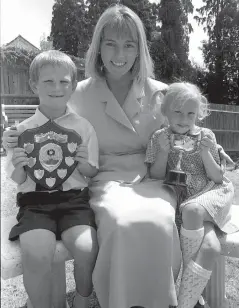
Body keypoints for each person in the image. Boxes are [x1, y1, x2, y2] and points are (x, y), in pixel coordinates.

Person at [2, 5, 236, 308]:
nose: (119, 54)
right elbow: (47, 129)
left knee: (160, 220)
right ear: (98, 47)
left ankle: (158, 301)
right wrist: (15, 137)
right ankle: (119, 300)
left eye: (129, 45)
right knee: (119, 220)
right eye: (110, 43)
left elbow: (189, 131)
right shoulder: (78, 93)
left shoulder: (162, 93)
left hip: (156, 177)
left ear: (140, 50)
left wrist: (211, 154)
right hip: (104, 178)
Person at [5, 50, 99, 308]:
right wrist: (20, 164)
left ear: (73, 86)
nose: (56, 88)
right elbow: (19, 178)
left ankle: (81, 301)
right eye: (48, 81)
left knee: (87, 248)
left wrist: (83, 163)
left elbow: (91, 173)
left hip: (74, 201)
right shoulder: (21, 132)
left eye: (63, 81)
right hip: (34, 203)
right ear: (34, 85)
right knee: (36, 253)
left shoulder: (84, 128)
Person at [145, 82, 239, 308]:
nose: (184, 118)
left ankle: (185, 298)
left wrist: (206, 152)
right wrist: (163, 151)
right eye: (177, 111)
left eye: (191, 113)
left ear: (198, 115)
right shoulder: (159, 137)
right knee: (210, 248)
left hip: (209, 194)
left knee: (192, 209)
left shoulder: (205, 135)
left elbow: (217, 177)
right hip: (182, 200)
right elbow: (155, 175)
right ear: (165, 111)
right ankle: (189, 302)